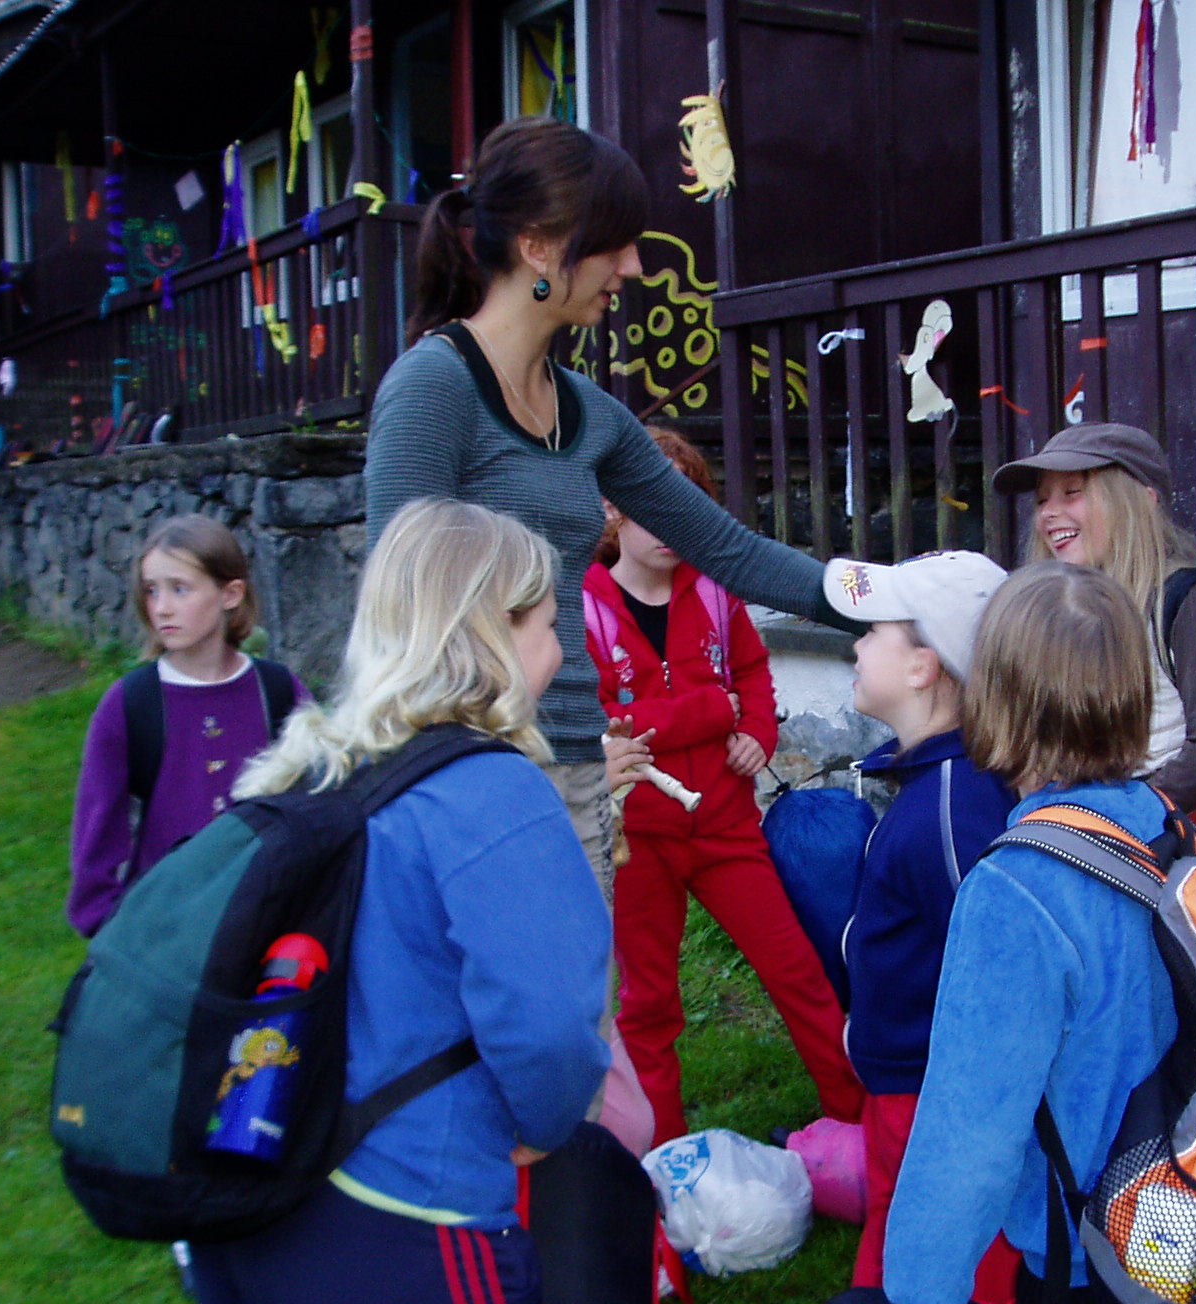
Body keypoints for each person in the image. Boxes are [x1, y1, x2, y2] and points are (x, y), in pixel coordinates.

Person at [196, 498, 610, 1304]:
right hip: (404, 1234)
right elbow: (552, 1033)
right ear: (492, 633)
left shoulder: (311, 766)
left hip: (249, 1212)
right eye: (546, 623)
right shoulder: (490, 790)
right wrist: (543, 1128)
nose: (560, 649)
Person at [363, 115, 847, 896]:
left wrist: (885, 598)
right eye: (614, 242)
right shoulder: (433, 389)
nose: (632, 265)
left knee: (585, 979)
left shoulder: (588, 411)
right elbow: (396, 615)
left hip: (581, 769)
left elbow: (729, 551)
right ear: (538, 247)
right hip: (473, 776)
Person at [883, 561, 1196, 1304]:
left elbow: (970, 1132)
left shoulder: (1017, 889)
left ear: (994, 699)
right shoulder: (1174, 835)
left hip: (1090, 1281)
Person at [588, 428, 864, 1142]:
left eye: (686, 504)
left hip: (726, 827)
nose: (670, 524)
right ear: (614, 509)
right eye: (652, 504)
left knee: (796, 972)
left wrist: (757, 734)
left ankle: (860, 1124)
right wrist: (714, 712)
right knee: (648, 1003)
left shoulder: (715, 592)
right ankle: (662, 1158)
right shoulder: (583, 607)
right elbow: (609, 723)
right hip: (635, 839)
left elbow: (752, 677)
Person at [819, 550, 1017, 1304]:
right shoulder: (929, 784)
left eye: (873, 632)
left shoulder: (953, 806)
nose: (856, 646)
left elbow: (994, 967)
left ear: (922, 667)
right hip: (901, 1084)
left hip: (935, 1100)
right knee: (893, 1230)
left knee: (934, 1257)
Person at [67, 513, 308, 937]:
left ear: (230, 594)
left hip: (270, 919)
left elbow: (319, 804)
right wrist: (108, 928)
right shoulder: (131, 703)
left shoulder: (278, 691)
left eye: (180, 589)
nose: (162, 607)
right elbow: (98, 827)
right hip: (163, 928)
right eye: (151, 590)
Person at [993, 422, 1196, 824]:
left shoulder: (1189, 599)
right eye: (1041, 500)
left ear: (1141, 500)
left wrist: (1117, 816)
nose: (1049, 512)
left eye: (1072, 492)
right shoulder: (1053, 617)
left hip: (1178, 836)